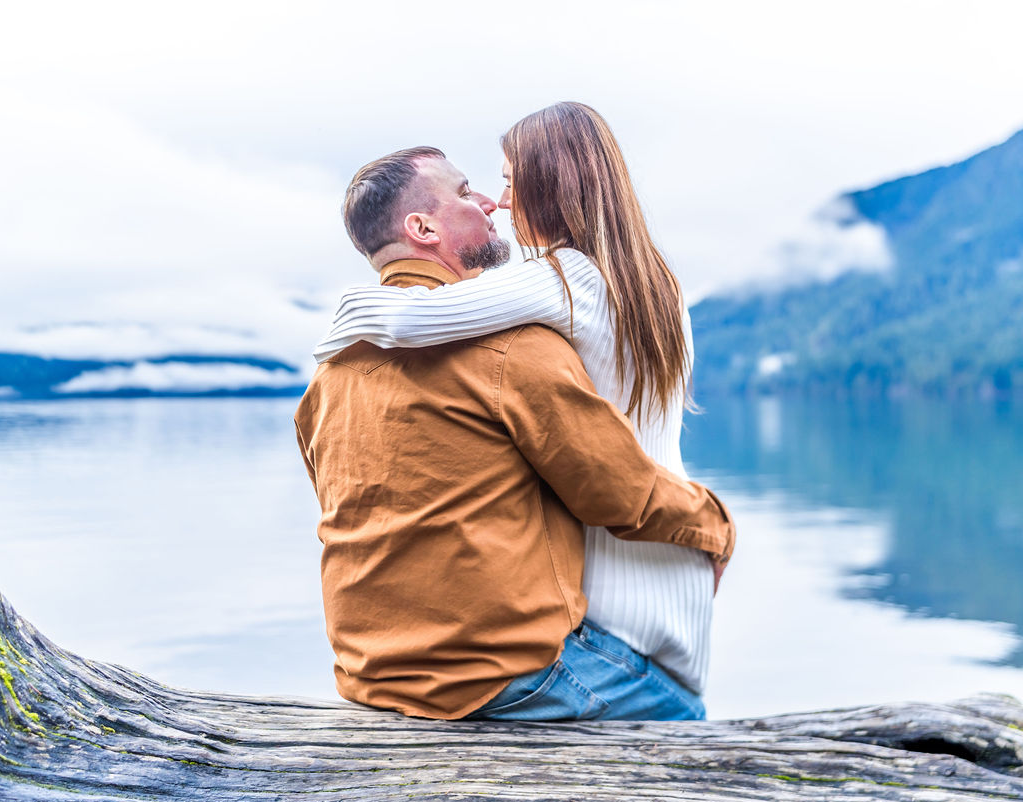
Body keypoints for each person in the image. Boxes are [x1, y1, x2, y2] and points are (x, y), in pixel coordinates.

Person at [295, 145, 735, 721]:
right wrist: (714, 525)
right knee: (686, 717)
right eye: (463, 192)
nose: (487, 204)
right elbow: (619, 492)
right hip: (502, 677)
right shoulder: (515, 349)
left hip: (370, 677)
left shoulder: (330, 374)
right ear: (422, 228)